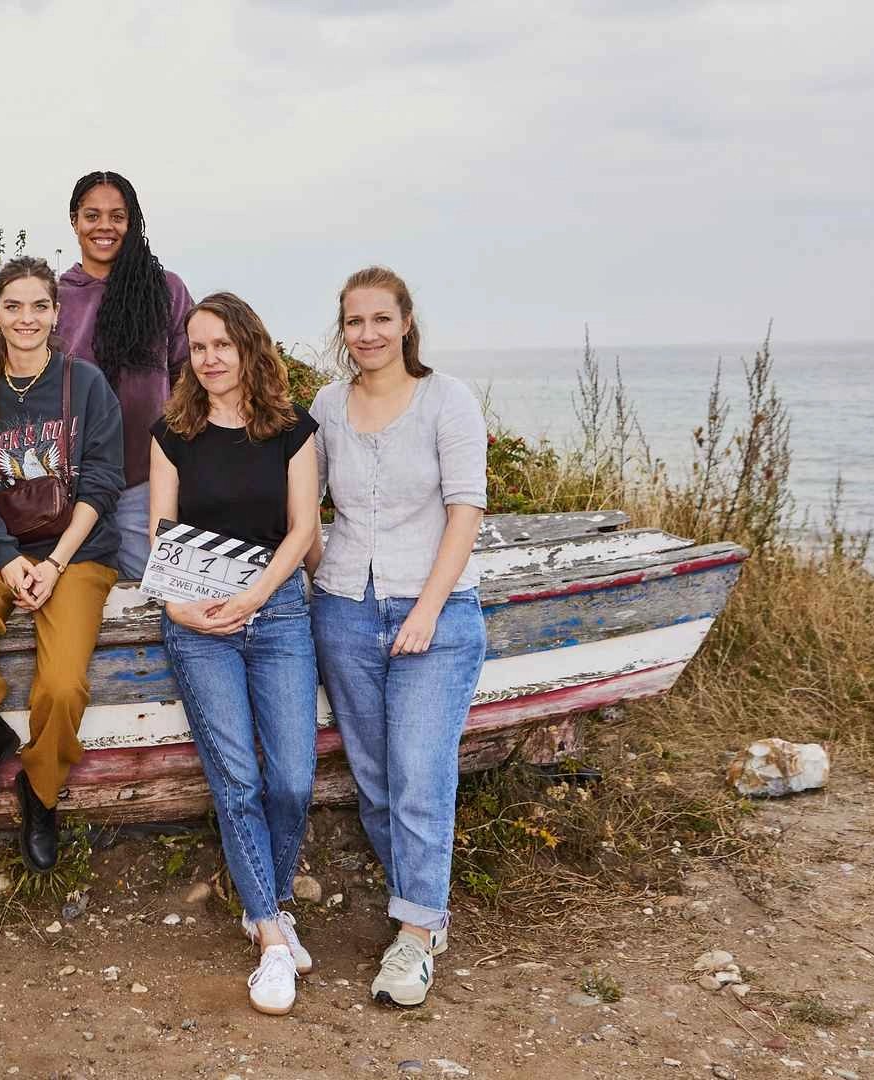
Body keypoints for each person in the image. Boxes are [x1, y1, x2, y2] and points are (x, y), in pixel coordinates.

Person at [308, 266, 488, 1009]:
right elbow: (302, 504)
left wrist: (426, 610)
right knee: (378, 785)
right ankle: (426, 905)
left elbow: (465, 510)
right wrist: (319, 571)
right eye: (355, 322)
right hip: (345, 610)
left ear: (406, 321)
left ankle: (413, 938)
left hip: (435, 617)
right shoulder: (325, 405)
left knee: (420, 775)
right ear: (342, 330)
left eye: (382, 319)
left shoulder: (448, 399)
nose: (368, 334)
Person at [150, 292, 322, 1017]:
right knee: (237, 780)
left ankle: (268, 907)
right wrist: (176, 607)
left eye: (223, 343)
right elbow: (162, 530)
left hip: (277, 612)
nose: (211, 357)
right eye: (198, 346)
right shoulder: (172, 432)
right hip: (195, 617)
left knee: (292, 780)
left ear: (251, 346)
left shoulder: (293, 428)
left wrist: (255, 599)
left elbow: (302, 526)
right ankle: (272, 945)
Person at [0, 256, 125, 872]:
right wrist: (9, 559)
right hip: (0, 547)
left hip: (76, 551)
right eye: (12, 306)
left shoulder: (86, 384)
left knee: (63, 686)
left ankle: (40, 791)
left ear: (55, 313)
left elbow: (102, 483)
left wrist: (55, 563)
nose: (26, 317)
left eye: (38, 306)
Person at [55, 170, 195, 579]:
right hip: (73, 487)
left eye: (117, 216)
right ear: (74, 220)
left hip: (147, 480)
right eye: (92, 215)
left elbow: (191, 375)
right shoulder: (54, 298)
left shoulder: (165, 289)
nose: (105, 226)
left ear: (131, 222)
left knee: (155, 594)